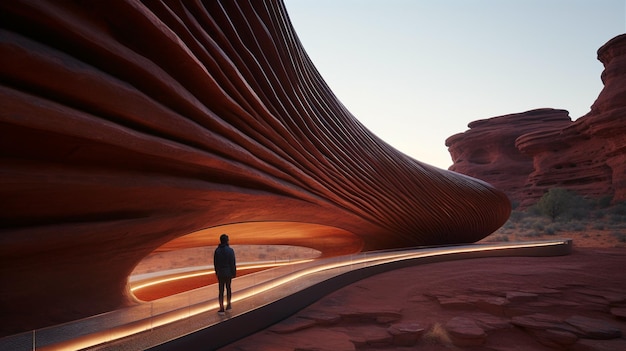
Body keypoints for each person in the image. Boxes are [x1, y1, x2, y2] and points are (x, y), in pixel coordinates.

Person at [213, 233, 236, 315]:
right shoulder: (230, 250)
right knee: (228, 289)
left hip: (220, 273)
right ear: (227, 241)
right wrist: (234, 272)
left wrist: (217, 272)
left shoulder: (217, 251)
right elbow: (232, 262)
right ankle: (228, 305)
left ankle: (221, 308)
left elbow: (215, 263)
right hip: (228, 272)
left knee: (221, 291)